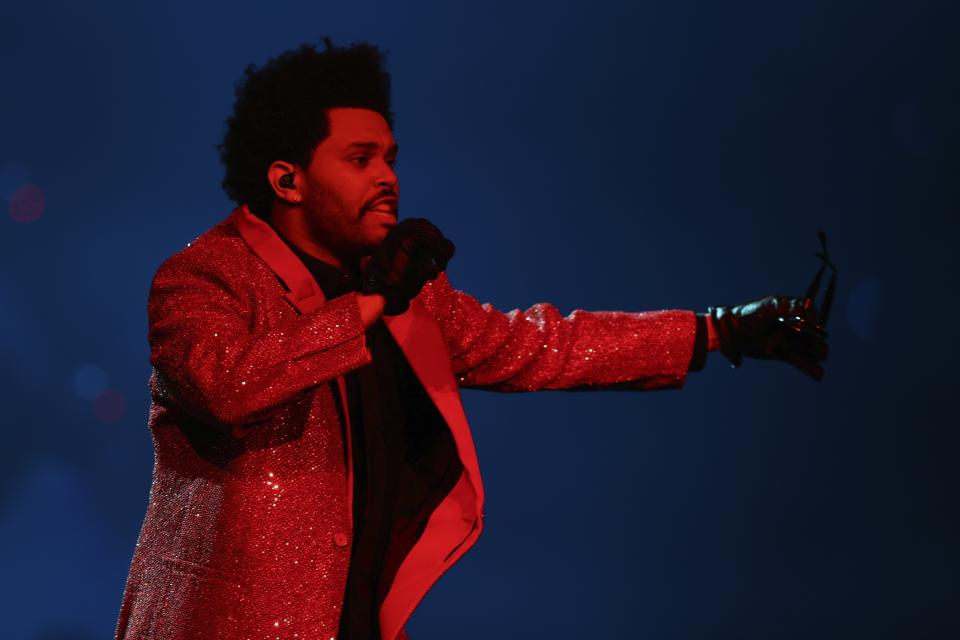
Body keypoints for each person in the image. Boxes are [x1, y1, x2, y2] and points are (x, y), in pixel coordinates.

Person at [114, 38, 828, 640]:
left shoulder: (396, 288)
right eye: (360, 159)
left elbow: (539, 346)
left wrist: (720, 329)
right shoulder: (204, 278)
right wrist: (365, 306)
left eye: (391, 157)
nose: (389, 178)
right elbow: (226, 383)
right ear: (287, 179)